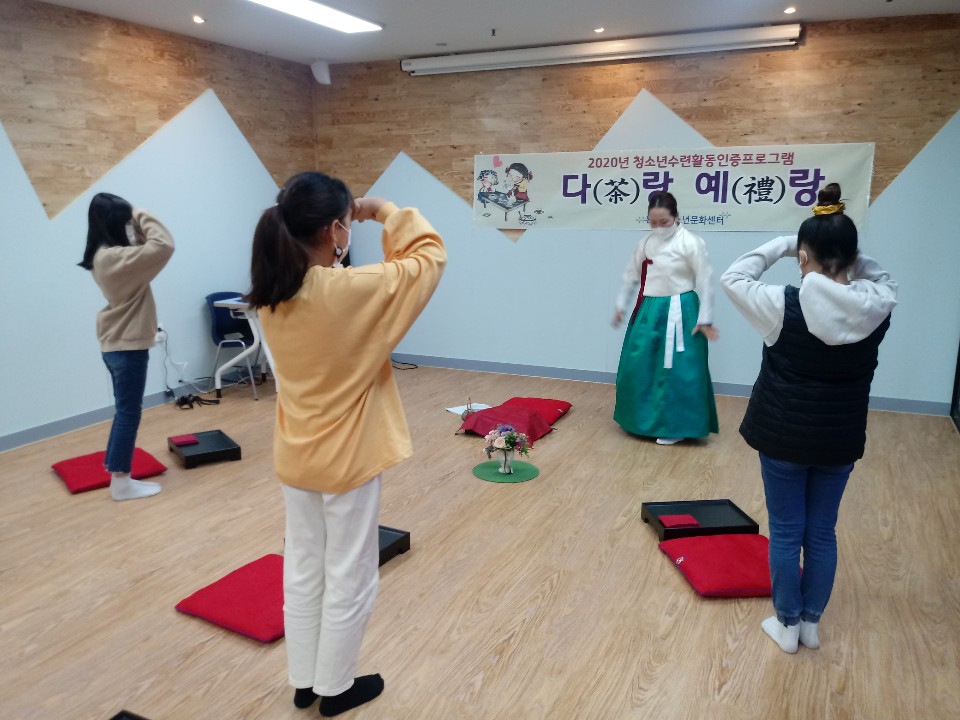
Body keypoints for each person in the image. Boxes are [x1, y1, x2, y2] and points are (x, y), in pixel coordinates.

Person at [246, 172, 446, 716]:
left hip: (296, 456)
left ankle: (305, 680)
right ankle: (335, 688)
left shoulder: (271, 296)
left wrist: (349, 219)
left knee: (303, 568)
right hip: (348, 460)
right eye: (345, 225)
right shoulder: (348, 290)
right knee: (349, 575)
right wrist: (383, 210)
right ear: (335, 230)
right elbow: (429, 256)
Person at [720, 183, 897, 654]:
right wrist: (848, 255)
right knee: (821, 531)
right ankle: (811, 623)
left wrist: (783, 244)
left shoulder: (782, 302)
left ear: (802, 257)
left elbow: (734, 276)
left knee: (785, 532)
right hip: (839, 441)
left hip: (783, 439)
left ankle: (787, 625)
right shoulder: (877, 305)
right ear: (853, 256)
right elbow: (882, 276)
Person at [79, 193, 175, 501]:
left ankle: (116, 470)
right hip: (126, 346)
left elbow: (147, 248)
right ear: (114, 223)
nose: (130, 227)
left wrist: (132, 221)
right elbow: (163, 246)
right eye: (125, 223)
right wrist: (141, 212)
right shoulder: (115, 258)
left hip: (116, 344)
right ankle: (121, 482)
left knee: (124, 411)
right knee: (129, 413)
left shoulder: (105, 255)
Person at [611, 190, 719, 445]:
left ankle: (676, 426)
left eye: (664, 222)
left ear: (676, 217)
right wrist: (620, 304)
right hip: (651, 309)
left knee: (679, 369)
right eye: (653, 222)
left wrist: (705, 319)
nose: (659, 227)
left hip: (681, 308)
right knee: (640, 363)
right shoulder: (646, 242)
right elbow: (631, 274)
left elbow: (705, 280)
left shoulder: (691, 242)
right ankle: (640, 420)